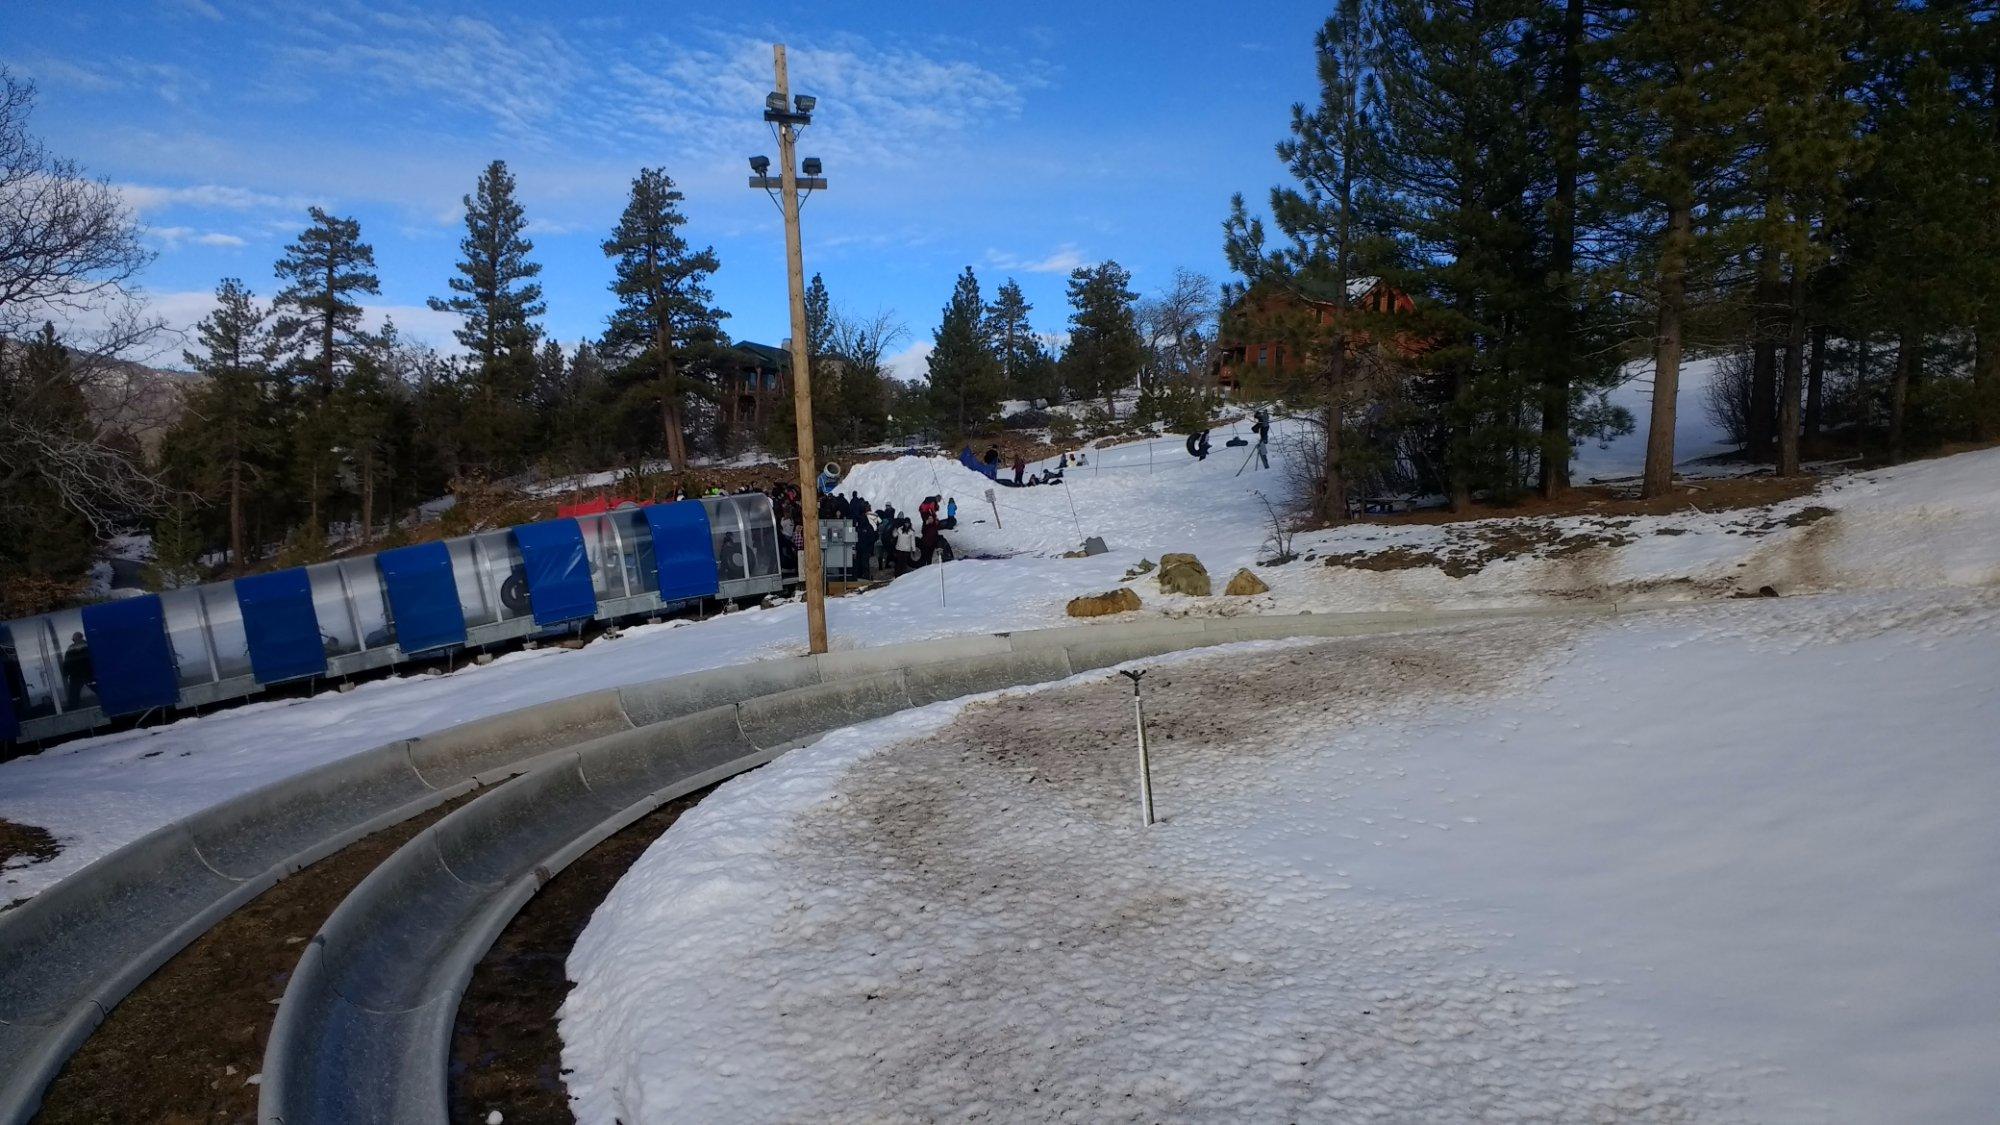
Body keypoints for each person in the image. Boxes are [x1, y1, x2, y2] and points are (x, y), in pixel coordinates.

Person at [60, 631, 91, 711]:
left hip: (85, 673)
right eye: (75, 639)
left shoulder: (86, 646)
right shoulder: (74, 648)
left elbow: (67, 662)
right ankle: (73, 707)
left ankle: (73, 707)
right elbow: (67, 662)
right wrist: (66, 673)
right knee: (73, 693)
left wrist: (66, 673)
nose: (76, 640)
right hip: (80, 674)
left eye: (76, 638)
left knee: (74, 692)